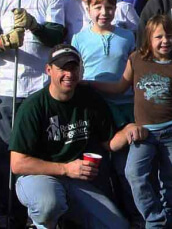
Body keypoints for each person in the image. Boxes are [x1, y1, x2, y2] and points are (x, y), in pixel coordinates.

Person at [9, 44, 148, 229]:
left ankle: (66, 217)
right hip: (38, 177)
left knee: (117, 226)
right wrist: (65, 169)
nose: (69, 73)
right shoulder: (33, 106)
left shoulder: (90, 98)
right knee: (48, 204)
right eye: (62, 68)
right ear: (48, 70)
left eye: (73, 67)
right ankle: (40, 223)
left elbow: (109, 143)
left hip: (77, 180)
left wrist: (129, 130)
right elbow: (18, 164)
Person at [91, 15, 172, 227]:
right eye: (159, 36)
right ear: (148, 39)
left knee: (170, 179)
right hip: (143, 132)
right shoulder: (136, 59)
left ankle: (168, 219)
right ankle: (155, 219)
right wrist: (89, 84)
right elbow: (119, 87)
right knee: (133, 174)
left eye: (170, 36)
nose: (165, 41)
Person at [0, 0, 65, 213]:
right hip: (6, 89)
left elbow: (57, 34)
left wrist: (34, 25)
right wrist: (4, 42)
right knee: (7, 156)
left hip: (40, 88)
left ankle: (41, 210)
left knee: (41, 153)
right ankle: (9, 212)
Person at [71, 0, 139, 223]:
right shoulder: (79, 38)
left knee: (126, 168)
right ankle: (105, 217)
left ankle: (133, 215)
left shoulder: (127, 36)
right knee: (98, 167)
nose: (104, 12)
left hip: (124, 106)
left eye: (109, 7)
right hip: (95, 109)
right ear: (88, 9)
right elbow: (78, 74)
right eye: (98, 7)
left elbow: (134, 73)